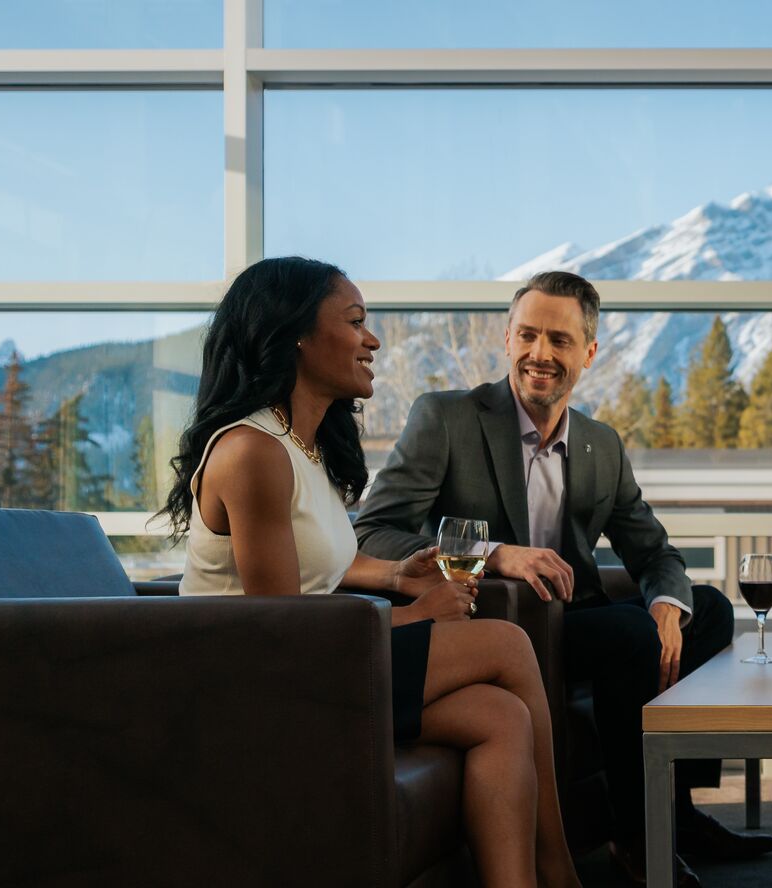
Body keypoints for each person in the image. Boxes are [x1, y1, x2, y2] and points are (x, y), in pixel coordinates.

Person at [166, 257, 579, 888]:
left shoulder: (301, 447)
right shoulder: (251, 452)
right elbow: (281, 629)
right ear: (296, 335)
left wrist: (392, 577)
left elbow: (313, 560)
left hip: (313, 668)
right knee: (505, 642)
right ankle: (561, 872)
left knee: (502, 716)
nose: (373, 339)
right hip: (258, 689)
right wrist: (413, 617)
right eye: (355, 322)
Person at [354, 270, 772, 887]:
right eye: (527, 335)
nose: (540, 354)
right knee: (631, 639)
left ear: (589, 353)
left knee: (707, 610)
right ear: (506, 339)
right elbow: (376, 532)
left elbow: (654, 551)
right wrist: (496, 553)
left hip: (578, 619)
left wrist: (666, 604)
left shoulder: (601, 444)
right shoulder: (447, 419)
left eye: (559, 339)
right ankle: (636, 838)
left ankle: (676, 814)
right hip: (497, 625)